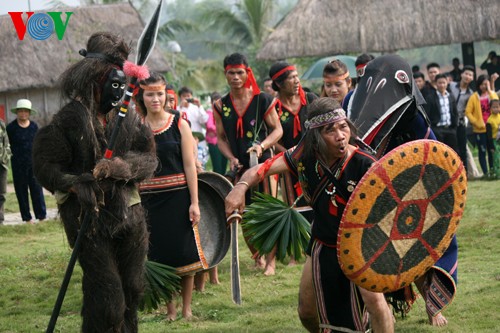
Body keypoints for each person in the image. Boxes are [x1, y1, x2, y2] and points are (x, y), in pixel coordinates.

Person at [225, 97, 394, 333]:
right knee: (306, 312)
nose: (340, 136)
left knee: (374, 302)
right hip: (322, 243)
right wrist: (240, 187)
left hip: (361, 245)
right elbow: (260, 170)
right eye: (330, 130)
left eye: (343, 127)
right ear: (316, 136)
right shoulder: (303, 155)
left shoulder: (365, 165)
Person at [33, 32, 157, 332]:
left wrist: (123, 166)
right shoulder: (68, 120)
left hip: (129, 213)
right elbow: (45, 168)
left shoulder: (128, 119)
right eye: (112, 81)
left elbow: (150, 159)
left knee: (133, 287)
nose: (117, 89)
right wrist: (76, 183)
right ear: (94, 80)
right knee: (108, 295)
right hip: (87, 218)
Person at [350, 54, 457, 327]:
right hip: (372, 194)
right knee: (369, 255)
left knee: (420, 251)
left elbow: (431, 155)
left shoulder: (412, 114)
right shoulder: (352, 105)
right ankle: (373, 311)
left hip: (412, 194)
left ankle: (433, 309)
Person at [135, 72, 203, 321]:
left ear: (166, 95)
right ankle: (170, 309)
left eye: (160, 93)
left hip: (179, 198)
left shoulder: (179, 124)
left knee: (184, 253)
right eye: (150, 94)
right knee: (159, 254)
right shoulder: (138, 129)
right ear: (142, 96)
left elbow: (189, 166)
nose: (155, 98)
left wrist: (194, 202)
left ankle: (187, 309)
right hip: (150, 201)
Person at [213, 52, 282, 271]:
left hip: (263, 164)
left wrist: (262, 146)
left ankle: (271, 262)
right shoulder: (220, 105)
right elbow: (221, 139)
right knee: (242, 212)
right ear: (225, 74)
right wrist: (231, 158)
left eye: (239, 72)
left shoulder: (263, 100)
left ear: (247, 72)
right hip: (239, 166)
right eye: (231, 73)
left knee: (267, 210)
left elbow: (277, 130)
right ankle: (257, 256)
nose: (235, 77)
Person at [7, 99, 46, 224]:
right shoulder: (11, 128)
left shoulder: (34, 127)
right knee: (21, 192)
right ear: (17, 112)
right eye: (20, 111)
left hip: (33, 165)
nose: (23, 113)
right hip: (18, 166)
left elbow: (40, 145)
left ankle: (41, 216)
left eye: (25, 111)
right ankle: (27, 218)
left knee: (37, 191)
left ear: (29, 113)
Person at [465, 74, 499, 177]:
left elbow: (496, 102)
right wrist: (476, 122)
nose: (484, 86)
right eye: (483, 84)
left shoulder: (491, 94)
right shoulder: (474, 96)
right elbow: (468, 112)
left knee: (492, 150)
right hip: (480, 130)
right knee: (482, 151)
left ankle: (493, 170)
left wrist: (489, 90)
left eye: (486, 84)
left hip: (492, 129)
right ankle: (485, 172)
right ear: (479, 85)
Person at [423, 73, 459, 152]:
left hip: (450, 129)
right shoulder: (430, 97)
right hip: (437, 130)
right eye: (439, 83)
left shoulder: (451, 96)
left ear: (447, 83)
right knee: (439, 152)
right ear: (436, 83)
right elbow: (426, 114)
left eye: (444, 83)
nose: (442, 85)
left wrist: (454, 126)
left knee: (452, 152)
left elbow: (455, 112)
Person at [449, 65, 475, 174]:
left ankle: (464, 173)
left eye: (470, 75)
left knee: (463, 149)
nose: (467, 76)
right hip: (449, 122)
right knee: (451, 148)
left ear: (472, 78)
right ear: (461, 74)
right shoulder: (451, 86)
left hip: (461, 122)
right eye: (466, 74)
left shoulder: (471, 93)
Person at [178, 86, 209, 169]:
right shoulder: (177, 109)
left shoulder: (196, 108)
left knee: (201, 165)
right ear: (180, 97)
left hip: (198, 140)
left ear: (192, 96)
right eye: (184, 96)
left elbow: (204, 120)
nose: (187, 98)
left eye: (188, 96)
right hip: (184, 141)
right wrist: (180, 108)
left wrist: (199, 106)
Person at [205, 91, 228, 175]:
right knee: (217, 168)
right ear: (211, 103)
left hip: (225, 143)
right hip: (214, 143)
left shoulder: (225, 112)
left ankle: (223, 185)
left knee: (224, 167)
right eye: (214, 102)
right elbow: (210, 126)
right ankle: (216, 186)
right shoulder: (209, 113)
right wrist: (223, 130)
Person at [0, 116, 10, 225]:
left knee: (2, 194)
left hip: (2, 164)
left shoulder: (1, 123)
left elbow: (6, 142)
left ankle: (0, 220)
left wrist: (6, 159)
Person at [486, 99, 500, 179]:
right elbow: (489, 135)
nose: (496, 109)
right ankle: (497, 174)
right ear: (490, 108)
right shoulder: (489, 121)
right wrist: (491, 146)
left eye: (497, 107)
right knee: (497, 159)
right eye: (494, 107)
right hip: (495, 141)